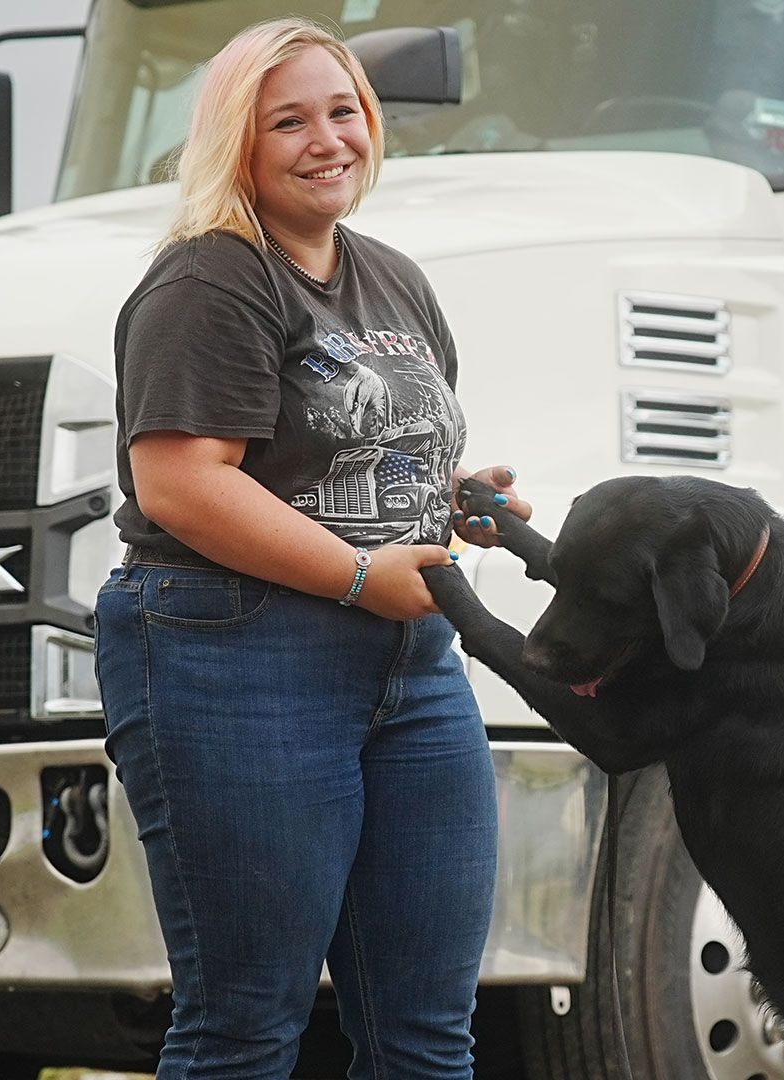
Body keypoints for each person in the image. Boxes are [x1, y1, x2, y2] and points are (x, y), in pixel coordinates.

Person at [94, 17, 530, 1080]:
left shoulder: (392, 278)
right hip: (234, 654)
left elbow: (347, 453)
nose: (326, 139)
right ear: (236, 143)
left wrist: (449, 500)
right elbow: (181, 482)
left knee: (427, 1033)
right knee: (244, 1025)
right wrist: (353, 570)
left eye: (343, 112)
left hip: (410, 667)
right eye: (288, 121)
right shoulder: (211, 280)